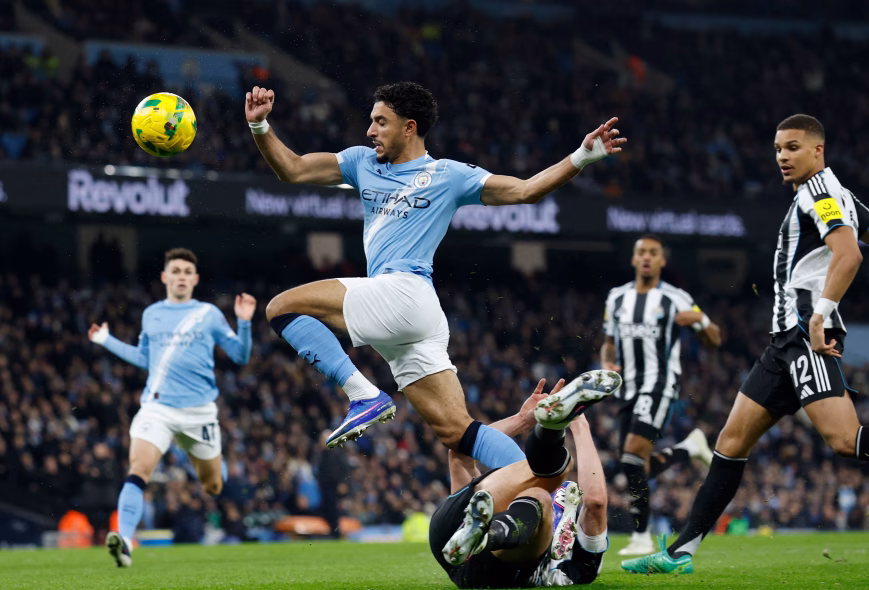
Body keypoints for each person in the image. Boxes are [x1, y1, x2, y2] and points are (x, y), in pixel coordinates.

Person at [622, 114, 869, 575]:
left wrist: (822, 314)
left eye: (791, 147)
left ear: (817, 150)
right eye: (777, 149)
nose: (782, 157)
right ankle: (681, 551)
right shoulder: (838, 194)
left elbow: (849, 254)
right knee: (729, 442)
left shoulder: (821, 194)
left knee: (845, 440)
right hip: (784, 342)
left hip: (808, 333)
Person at [244, 81, 625, 473]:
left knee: (282, 308)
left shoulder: (448, 175)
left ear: (409, 127)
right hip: (415, 316)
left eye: (380, 122)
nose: (370, 131)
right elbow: (292, 169)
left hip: (404, 292)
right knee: (459, 433)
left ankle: (362, 395)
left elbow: (525, 191)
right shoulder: (361, 163)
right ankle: (552, 492)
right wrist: (260, 127)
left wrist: (582, 155)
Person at [88, 248, 255, 567]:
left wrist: (244, 324)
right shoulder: (151, 313)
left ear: (195, 279)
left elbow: (241, 356)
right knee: (138, 468)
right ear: (165, 277)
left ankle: (217, 464)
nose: (180, 276)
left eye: (186, 271)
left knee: (213, 485)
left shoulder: (209, 314)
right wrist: (107, 341)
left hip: (199, 412)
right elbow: (143, 358)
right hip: (158, 407)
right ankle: (124, 542)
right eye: (175, 271)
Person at [431, 370, 619, 589]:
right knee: (541, 479)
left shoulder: (583, 567)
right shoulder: (543, 488)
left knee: (543, 487)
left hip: (464, 544)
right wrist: (524, 420)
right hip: (471, 539)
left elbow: (595, 501)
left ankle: (553, 428)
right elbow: (594, 501)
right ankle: (551, 427)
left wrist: (578, 422)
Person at [601, 234, 721, 555]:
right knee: (634, 465)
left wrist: (702, 319)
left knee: (630, 459)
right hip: (627, 389)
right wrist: (606, 363)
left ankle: (641, 537)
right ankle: (688, 448)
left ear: (662, 261)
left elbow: (715, 340)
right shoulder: (616, 298)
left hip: (659, 384)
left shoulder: (676, 297)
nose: (647, 258)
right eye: (641, 252)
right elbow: (608, 341)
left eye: (653, 253)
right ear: (633, 258)